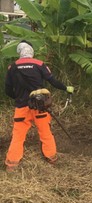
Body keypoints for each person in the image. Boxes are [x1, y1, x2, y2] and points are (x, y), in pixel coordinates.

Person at [4, 40, 74, 171]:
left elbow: (8, 90)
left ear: (19, 52)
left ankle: (12, 164)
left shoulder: (12, 67)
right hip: (40, 106)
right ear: (31, 51)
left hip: (21, 108)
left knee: (18, 136)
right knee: (46, 132)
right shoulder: (39, 64)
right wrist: (66, 88)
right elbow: (53, 81)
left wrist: (18, 98)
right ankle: (51, 158)